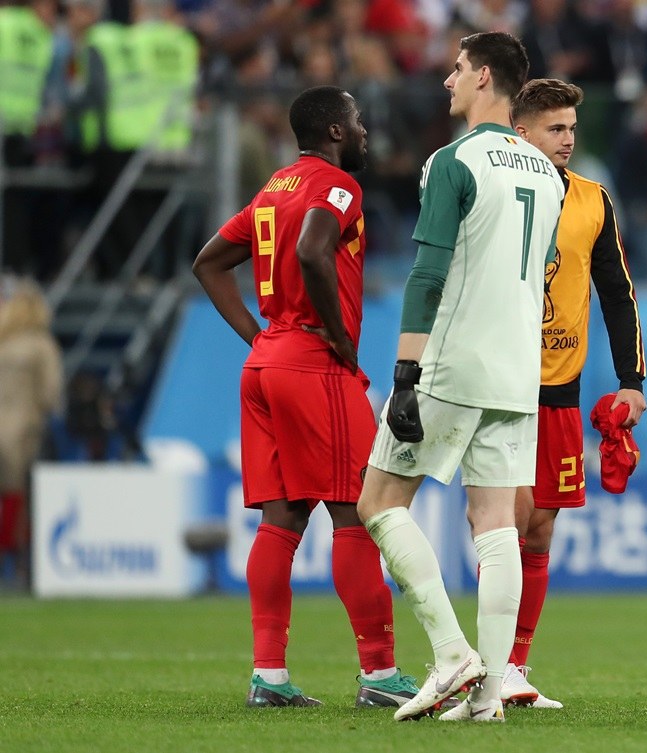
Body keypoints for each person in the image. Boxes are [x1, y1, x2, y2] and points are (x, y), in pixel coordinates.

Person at [356, 31, 564, 724]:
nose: (446, 81)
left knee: (379, 502)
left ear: (481, 77)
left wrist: (406, 372)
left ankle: (451, 653)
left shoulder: (453, 161)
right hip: (517, 368)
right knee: (496, 520)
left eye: (453, 70)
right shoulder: (544, 170)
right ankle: (490, 693)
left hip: (452, 361)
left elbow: (428, 271)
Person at [193, 85, 421, 710]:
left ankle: (268, 676)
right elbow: (312, 251)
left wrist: (260, 335)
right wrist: (342, 339)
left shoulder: (274, 187)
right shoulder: (339, 187)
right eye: (357, 120)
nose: (366, 130)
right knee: (357, 513)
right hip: (314, 365)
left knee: (283, 520)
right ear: (336, 132)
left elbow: (208, 263)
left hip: (265, 367)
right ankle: (379, 672)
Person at [501, 77, 646, 708]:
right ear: (522, 132)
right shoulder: (494, 193)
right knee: (505, 524)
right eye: (555, 129)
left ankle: (512, 667)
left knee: (539, 530)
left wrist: (631, 381)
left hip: (560, 384)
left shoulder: (592, 200)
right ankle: (477, 657)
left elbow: (618, 293)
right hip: (499, 382)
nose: (568, 140)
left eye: (572, 129)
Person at [0, 278, 64, 588]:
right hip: (22, 432)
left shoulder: (3, 343)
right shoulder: (40, 346)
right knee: (20, 496)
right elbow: (51, 394)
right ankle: (16, 563)